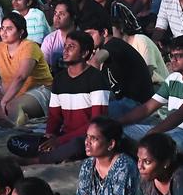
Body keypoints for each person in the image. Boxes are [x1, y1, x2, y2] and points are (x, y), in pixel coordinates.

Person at [7, 31, 110, 165]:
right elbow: (55, 116)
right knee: (14, 142)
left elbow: (97, 124)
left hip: (88, 137)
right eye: (65, 46)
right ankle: (56, 154)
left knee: (77, 145)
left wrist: (59, 141)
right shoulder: (60, 79)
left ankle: (36, 160)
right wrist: (50, 135)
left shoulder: (96, 78)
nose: (65, 51)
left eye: (71, 47)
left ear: (84, 53)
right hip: (64, 136)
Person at [120, 35, 183, 155]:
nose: (173, 59)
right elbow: (147, 108)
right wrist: (116, 124)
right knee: (121, 132)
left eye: (179, 56)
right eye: (171, 55)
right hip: (172, 130)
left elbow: (181, 114)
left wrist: (153, 132)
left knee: (156, 146)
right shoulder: (173, 78)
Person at [0, 15, 53, 128]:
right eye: (2, 28)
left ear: (21, 32)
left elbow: (21, 77)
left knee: (10, 106)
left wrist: (4, 100)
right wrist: (5, 97)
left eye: (9, 29)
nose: (4, 32)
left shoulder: (29, 46)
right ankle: (11, 118)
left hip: (39, 91)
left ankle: (13, 118)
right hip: (14, 95)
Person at [73, 117, 139, 195]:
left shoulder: (124, 166)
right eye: (87, 137)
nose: (87, 142)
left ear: (111, 144)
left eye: (93, 138)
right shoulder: (88, 165)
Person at [84, 17, 155, 117]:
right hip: (124, 102)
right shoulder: (106, 54)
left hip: (137, 104)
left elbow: (95, 62)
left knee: (90, 113)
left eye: (90, 34)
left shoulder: (114, 44)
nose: (87, 39)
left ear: (104, 32)